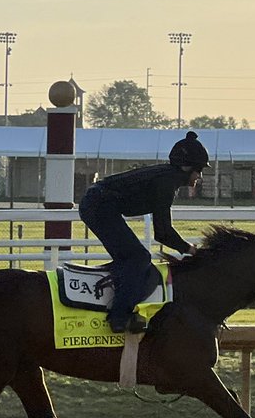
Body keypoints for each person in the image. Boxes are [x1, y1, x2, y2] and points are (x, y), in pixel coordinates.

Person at [79, 131, 210, 333]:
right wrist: (190, 250)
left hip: (98, 202)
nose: (199, 177)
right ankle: (119, 318)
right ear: (186, 167)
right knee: (138, 258)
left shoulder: (167, 177)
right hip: (99, 205)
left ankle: (118, 301)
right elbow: (163, 232)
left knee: (132, 258)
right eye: (199, 170)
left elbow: (162, 232)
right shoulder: (167, 183)